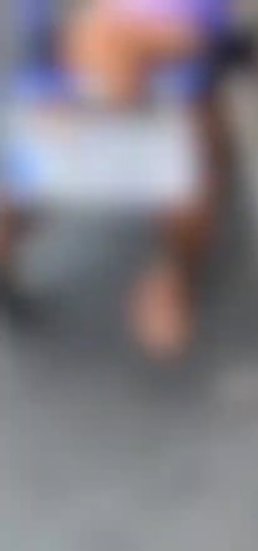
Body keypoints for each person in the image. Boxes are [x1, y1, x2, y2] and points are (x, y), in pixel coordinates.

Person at [0, 0, 241, 360]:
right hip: (91, 43)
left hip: (170, 44)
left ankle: (177, 276)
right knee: (38, 155)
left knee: (191, 157)